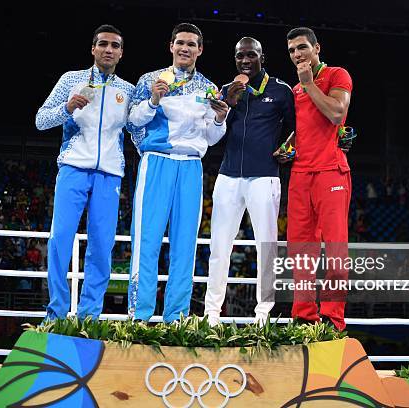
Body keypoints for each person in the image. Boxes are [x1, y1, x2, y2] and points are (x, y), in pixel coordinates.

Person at [35, 24, 140, 321]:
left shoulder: (128, 91)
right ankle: (55, 313)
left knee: (102, 247)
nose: (109, 50)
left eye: (115, 46)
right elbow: (41, 120)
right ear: (93, 49)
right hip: (73, 169)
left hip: (109, 175)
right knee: (60, 241)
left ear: (121, 53)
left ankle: (88, 316)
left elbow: (138, 133)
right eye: (103, 44)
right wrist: (67, 108)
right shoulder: (71, 80)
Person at [127, 23, 229, 322]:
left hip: (191, 168)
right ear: (171, 46)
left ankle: (177, 318)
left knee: (185, 245)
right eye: (180, 43)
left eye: (191, 44)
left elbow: (210, 138)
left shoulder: (210, 88)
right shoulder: (150, 80)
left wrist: (221, 119)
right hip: (156, 161)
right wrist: (152, 101)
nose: (185, 48)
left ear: (200, 49)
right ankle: (139, 317)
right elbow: (133, 121)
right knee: (146, 241)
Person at [204, 37, 295, 326]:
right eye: (240, 56)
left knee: (266, 247)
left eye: (251, 55)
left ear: (262, 56)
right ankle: (211, 315)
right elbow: (213, 133)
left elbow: (297, 130)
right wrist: (227, 103)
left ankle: (263, 315)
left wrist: (289, 150)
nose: (245, 61)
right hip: (228, 176)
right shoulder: (226, 91)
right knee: (219, 247)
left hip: (265, 177)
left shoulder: (281, 90)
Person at [285, 27, 353, 331]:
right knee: (300, 250)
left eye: (302, 48)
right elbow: (301, 130)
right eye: (291, 51)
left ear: (316, 48)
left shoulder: (337, 75)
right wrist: (286, 149)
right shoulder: (295, 89)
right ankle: (303, 316)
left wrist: (310, 84)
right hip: (299, 174)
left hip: (330, 172)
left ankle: (333, 319)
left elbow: (337, 114)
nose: (297, 55)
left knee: (335, 248)